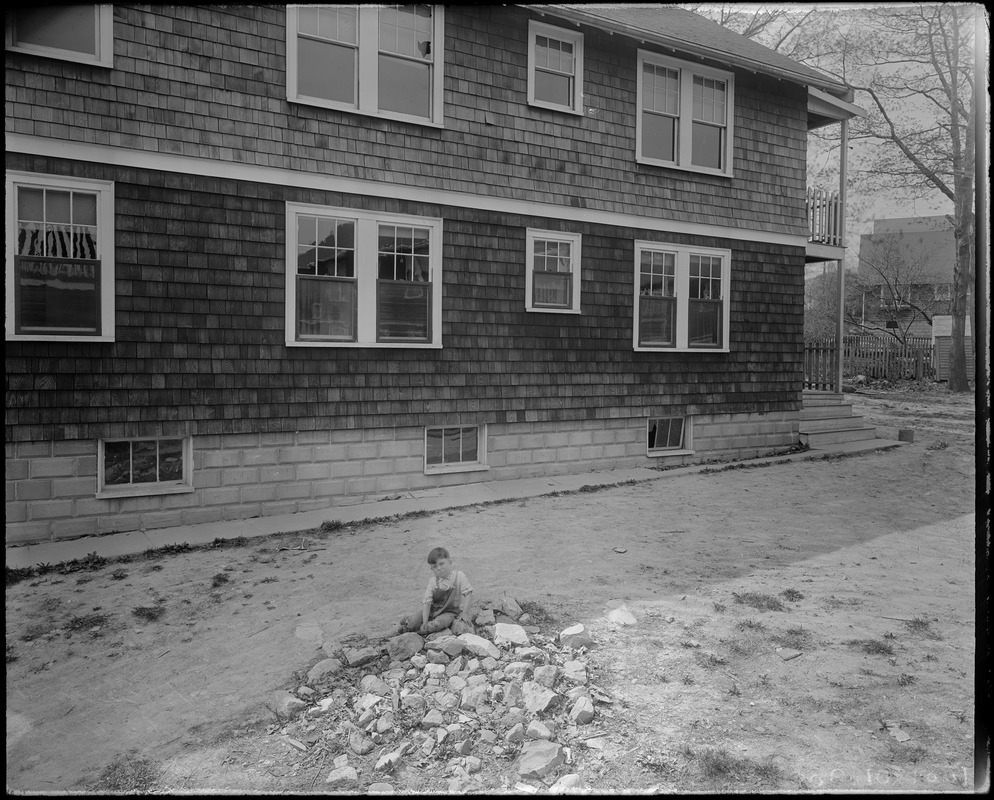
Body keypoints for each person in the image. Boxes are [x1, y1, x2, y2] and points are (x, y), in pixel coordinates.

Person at [398, 547, 474, 635]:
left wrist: (465, 613)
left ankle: (420, 632)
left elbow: (468, 594)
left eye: (441, 564)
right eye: (435, 567)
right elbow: (427, 603)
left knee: (438, 623)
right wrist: (425, 621)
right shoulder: (433, 582)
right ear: (432, 569)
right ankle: (408, 623)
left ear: (450, 561)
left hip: (450, 612)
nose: (439, 568)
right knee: (415, 622)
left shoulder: (459, 576)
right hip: (432, 610)